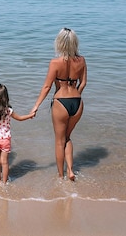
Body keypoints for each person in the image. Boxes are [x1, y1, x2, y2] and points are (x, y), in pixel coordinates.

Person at [30, 27, 87, 181]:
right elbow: (83, 83)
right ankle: (70, 170)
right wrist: (76, 95)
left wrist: (36, 106)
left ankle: (60, 176)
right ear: (74, 43)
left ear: (60, 43)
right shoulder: (81, 60)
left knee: (59, 141)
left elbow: (47, 87)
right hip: (77, 103)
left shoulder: (55, 62)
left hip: (61, 102)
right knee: (67, 137)